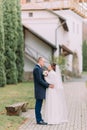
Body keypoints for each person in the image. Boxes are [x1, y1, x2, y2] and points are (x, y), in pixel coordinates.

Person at [33, 57, 54, 125]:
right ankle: (39, 120)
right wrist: (48, 85)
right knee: (38, 105)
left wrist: (46, 75)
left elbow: (42, 77)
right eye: (43, 61)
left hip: (41, 90)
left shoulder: (39, 68)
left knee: (39, 105)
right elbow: (39, 80)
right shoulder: (36, 69)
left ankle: (40, 119)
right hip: (39, 90)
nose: (44, 63)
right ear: (40, 61)